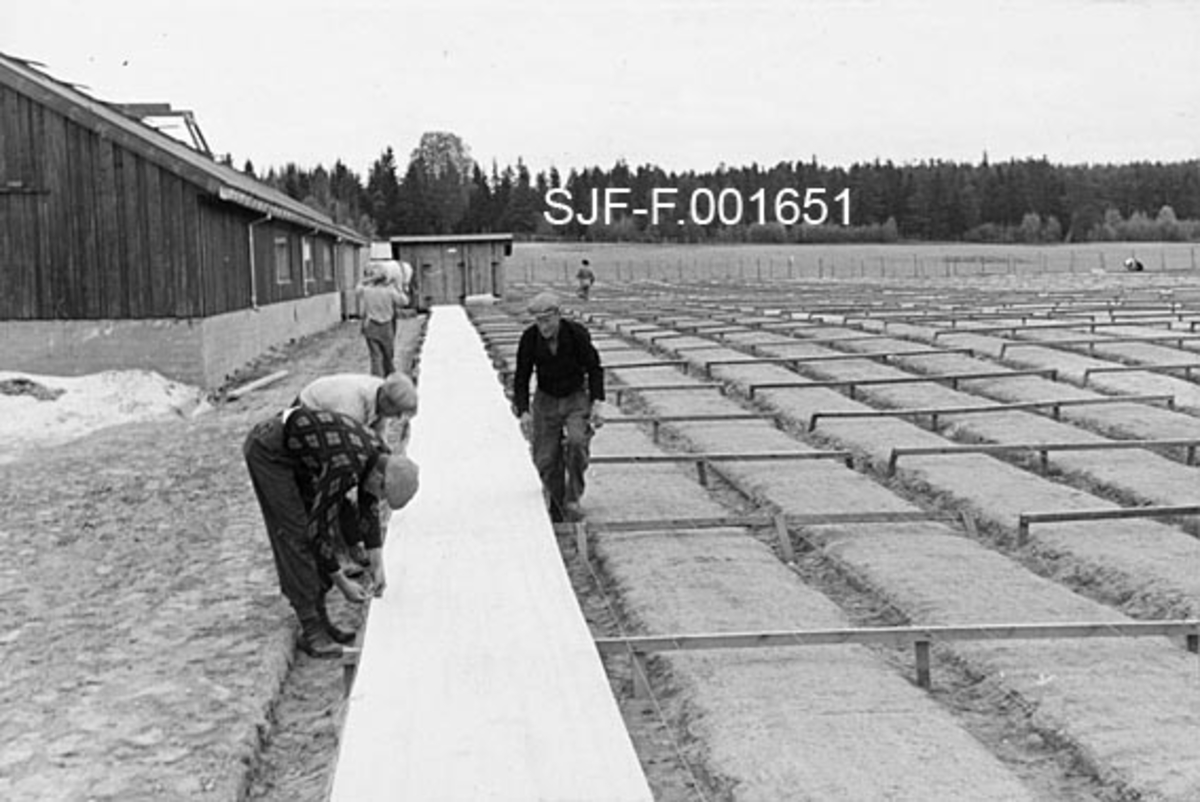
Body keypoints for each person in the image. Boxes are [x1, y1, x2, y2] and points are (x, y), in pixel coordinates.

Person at [243, 406, 420, 658]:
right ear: (380, 477)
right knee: (296, 535)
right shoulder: (344, 465)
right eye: (384, 493)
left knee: (316, 529)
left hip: (298, 453)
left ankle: (323, 623)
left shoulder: (379, 456)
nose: (379, 499)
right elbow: (318, 531)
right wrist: (343, 583)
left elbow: (367, 502)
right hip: (269, 452)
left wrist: (377, 564)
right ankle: (312, 630)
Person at [512, 291, 605, 523]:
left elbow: (594, 368)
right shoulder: (530, 339)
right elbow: (522, 376)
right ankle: (556, 501)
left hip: (575, 397)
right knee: (545, 457)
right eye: (538, 321)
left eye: (546, 320)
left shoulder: (576, 334)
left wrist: (597, 402)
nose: (542, 326)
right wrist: (523, 411)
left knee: (576, 443)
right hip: (546, 399)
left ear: (557, 316)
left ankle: (572, 498)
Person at [356, 267, 408, 377]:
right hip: (386, 326)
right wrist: (398, 288)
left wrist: (367, 280)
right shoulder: (390, 292)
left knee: (375, 357)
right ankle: (390, 378)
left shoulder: (367, 291)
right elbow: (404, 301)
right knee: (388, 356)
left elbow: (358, 288)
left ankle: (376, 380)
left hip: (371, 326)